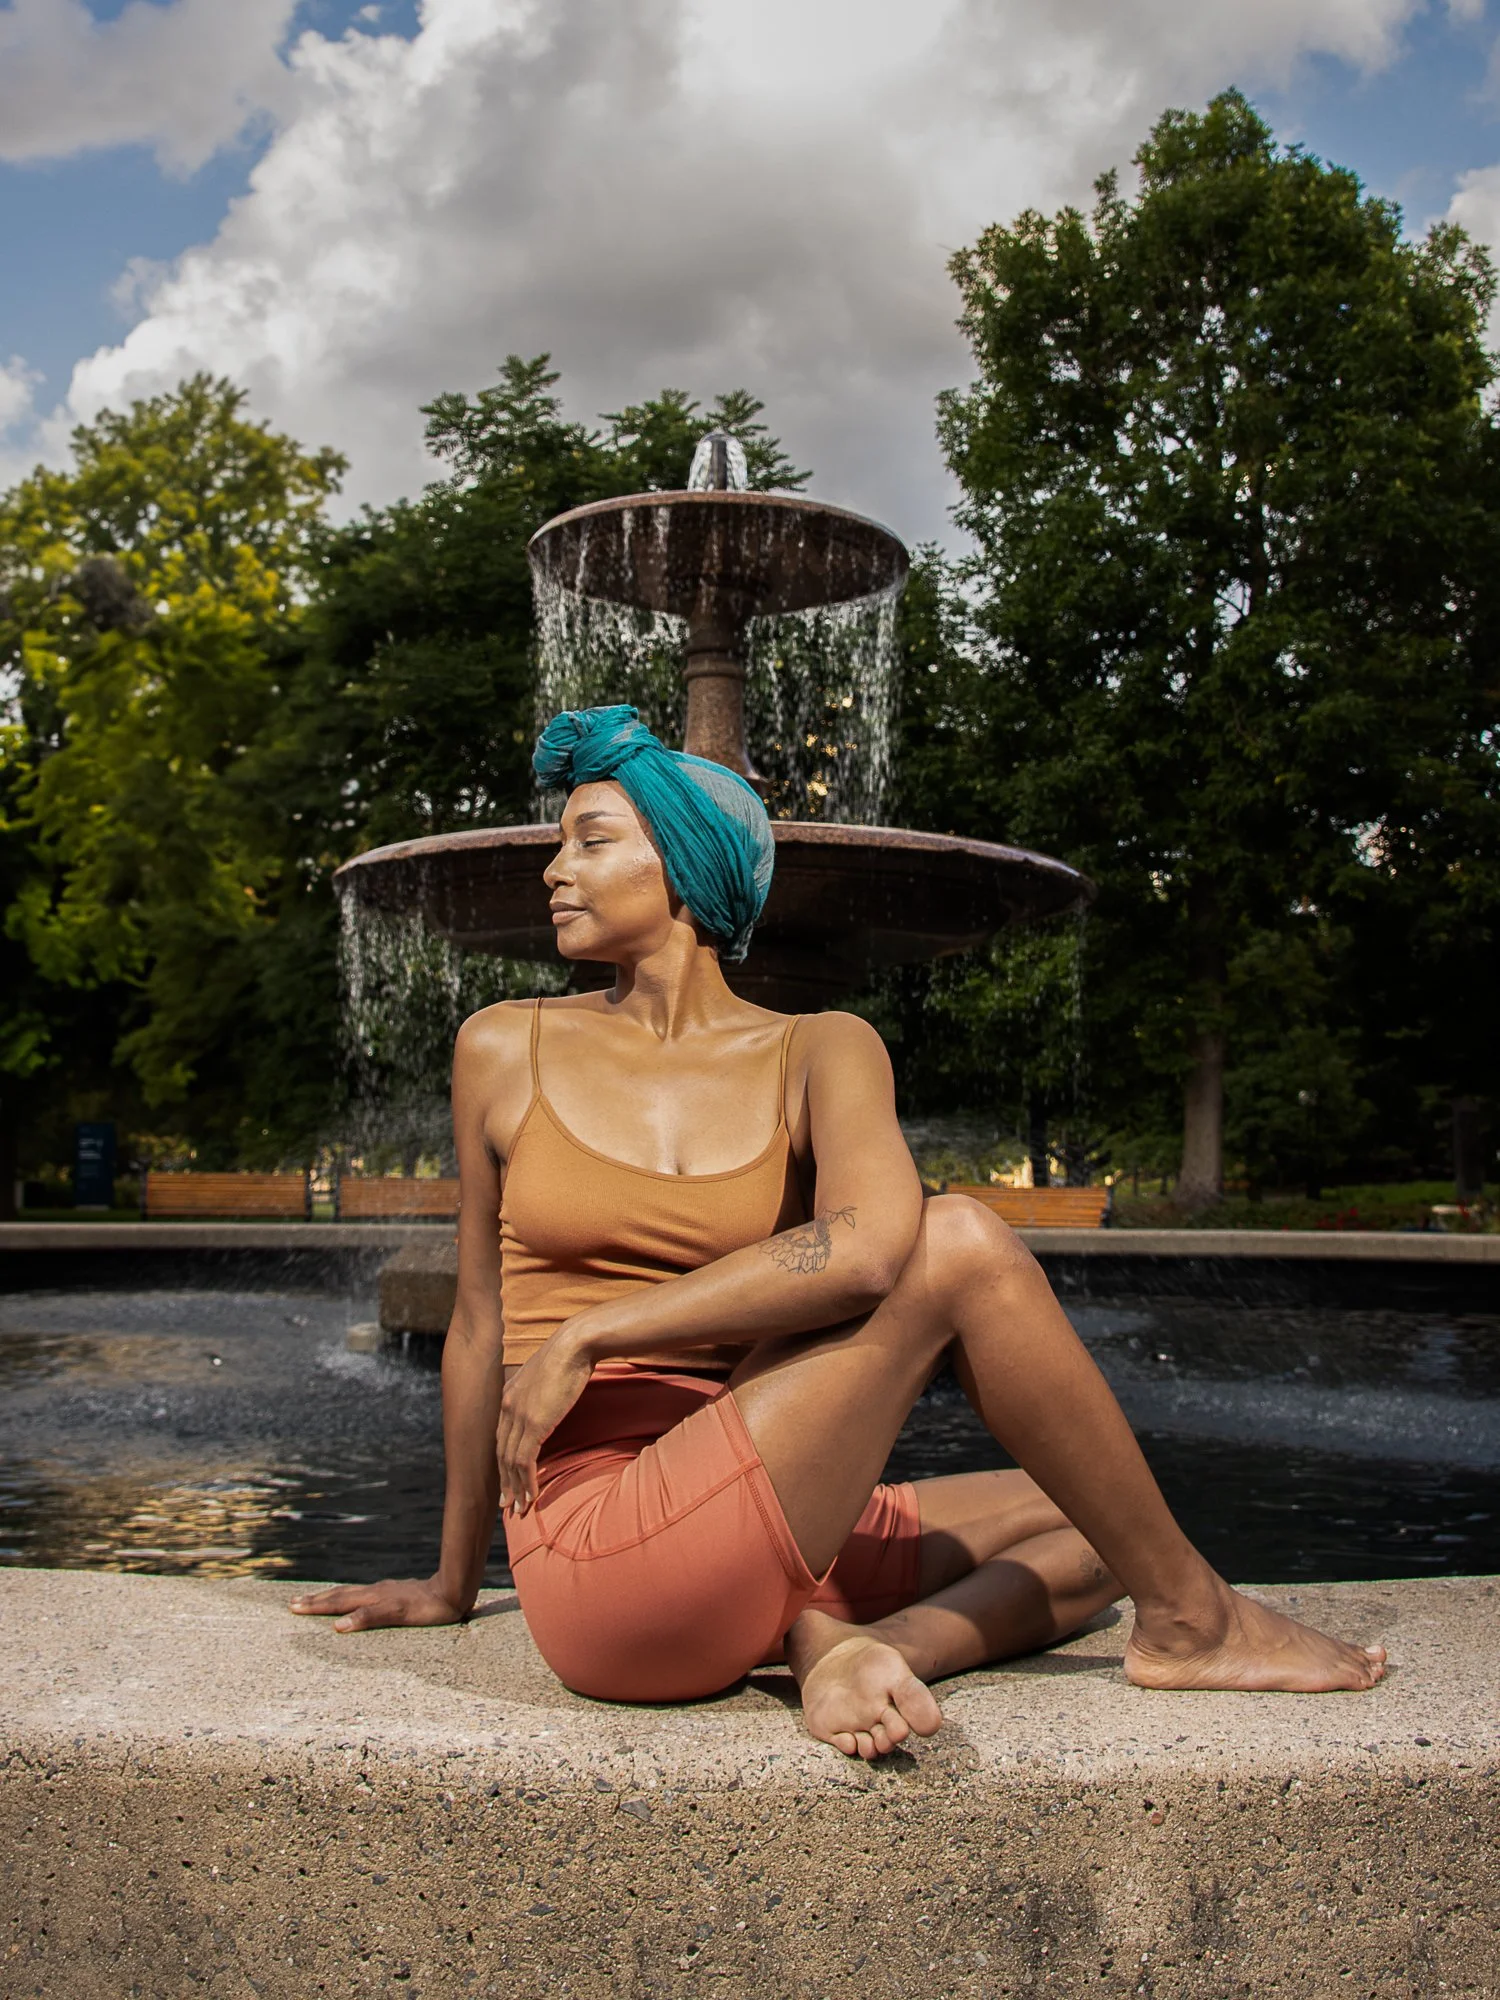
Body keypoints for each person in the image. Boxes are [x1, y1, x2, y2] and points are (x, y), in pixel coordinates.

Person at [293, 705, 1385, 1759]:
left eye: (591, 839)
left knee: (1100, 1517)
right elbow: (479, 1329)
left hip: (746, 1489)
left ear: (679, 861)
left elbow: (865, 1245)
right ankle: (1196, 1622)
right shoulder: (501, 1045)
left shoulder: (823, 1048)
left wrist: (596, 1328)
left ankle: (856, 1644)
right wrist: (450, 1578)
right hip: (600, 1552)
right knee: (959, 1240)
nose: (553, 869)